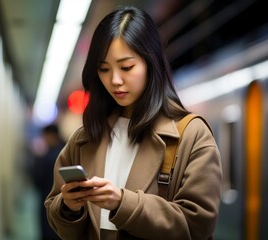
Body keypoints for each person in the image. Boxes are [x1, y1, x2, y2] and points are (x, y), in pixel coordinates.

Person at [45, 5, 222, 240]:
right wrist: (68, 206)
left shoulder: (191, 134)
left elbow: (197, 226)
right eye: (104, 69)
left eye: (126, 67)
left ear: (150, 62)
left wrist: (121, 202)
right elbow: (58, 216)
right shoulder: (84, 137)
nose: (115, 80)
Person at [33, 124, 65, 240]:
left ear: (50, 136)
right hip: (62, 199)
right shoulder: (65, 151)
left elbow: (38, 179)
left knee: (48, 228)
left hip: (47, 197)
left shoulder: (48, 157)